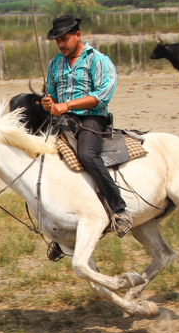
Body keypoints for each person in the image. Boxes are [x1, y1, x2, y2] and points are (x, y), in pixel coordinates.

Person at [40, 15, 133, 246]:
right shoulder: (54, 64)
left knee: (87, 155)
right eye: (57, 41)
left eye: (65, 39)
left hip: (92, 119)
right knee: (42, 161)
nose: (61, 44)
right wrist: (48, 103)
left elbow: (103, 96)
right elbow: (50, 94)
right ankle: (59, 228)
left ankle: (119, 209)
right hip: (62, 121)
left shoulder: (98, 60)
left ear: (78, 35)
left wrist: (67, 105)